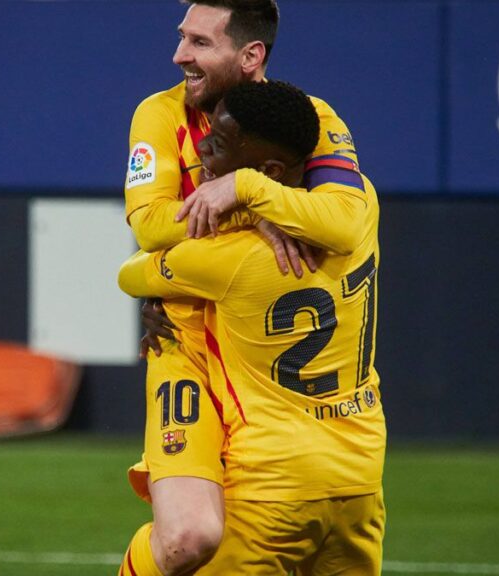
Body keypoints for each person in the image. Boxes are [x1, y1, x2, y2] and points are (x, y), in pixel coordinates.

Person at [119, 1, 371, 575]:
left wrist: (248, 189)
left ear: (251, 55)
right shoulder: (158, 115)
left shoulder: (311, 117)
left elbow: (347, 223)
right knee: (190, 538)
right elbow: (148, 226)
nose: (179, 55)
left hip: (264, 363)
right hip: (184, 345)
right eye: (182, 38)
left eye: (201, 43)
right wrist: (251, 210)